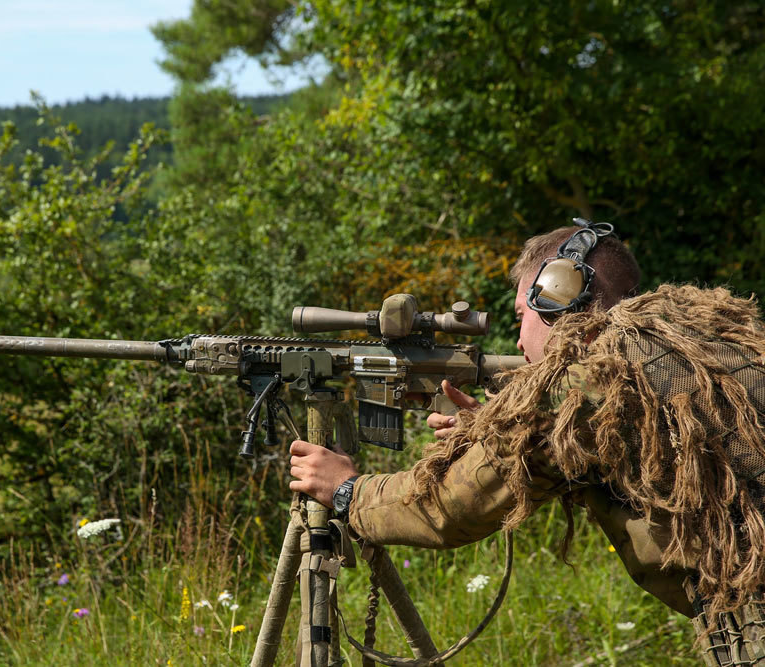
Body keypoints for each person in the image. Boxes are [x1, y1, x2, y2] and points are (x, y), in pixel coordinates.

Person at [288, 222, 765, 665]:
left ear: (560, 298)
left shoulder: (584, 386)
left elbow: (447, 508)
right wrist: (500, 430)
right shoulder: (708, 338)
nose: (518, 342)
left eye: (523, 315)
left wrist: (346, 490)